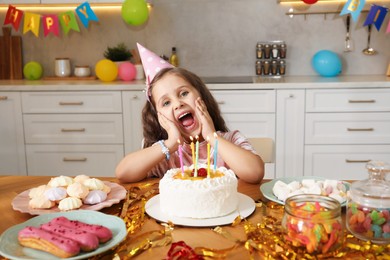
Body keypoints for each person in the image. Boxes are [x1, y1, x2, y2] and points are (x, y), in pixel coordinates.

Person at [115, 43, 264, 184]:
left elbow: (255, 173)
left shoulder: (231, 140)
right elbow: (123, 173)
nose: (178, 104)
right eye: (166, 103)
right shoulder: (166, 154)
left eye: (184, 93)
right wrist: (171, 143)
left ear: (202, 96)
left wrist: (212, 137)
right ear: (159, 117)